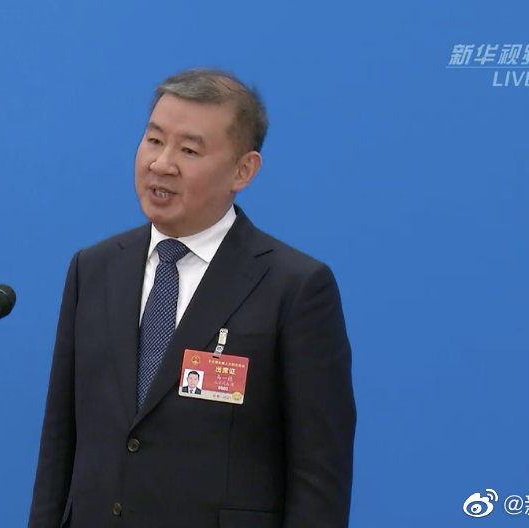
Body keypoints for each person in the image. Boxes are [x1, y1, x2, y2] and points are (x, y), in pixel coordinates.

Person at [29, 68, 356, 528]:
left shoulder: (295, 287)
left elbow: (319, 473)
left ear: (243, 170)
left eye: (188, 150)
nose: (161, 164)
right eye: (154, 140)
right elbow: (59, 443)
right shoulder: (94, 268)